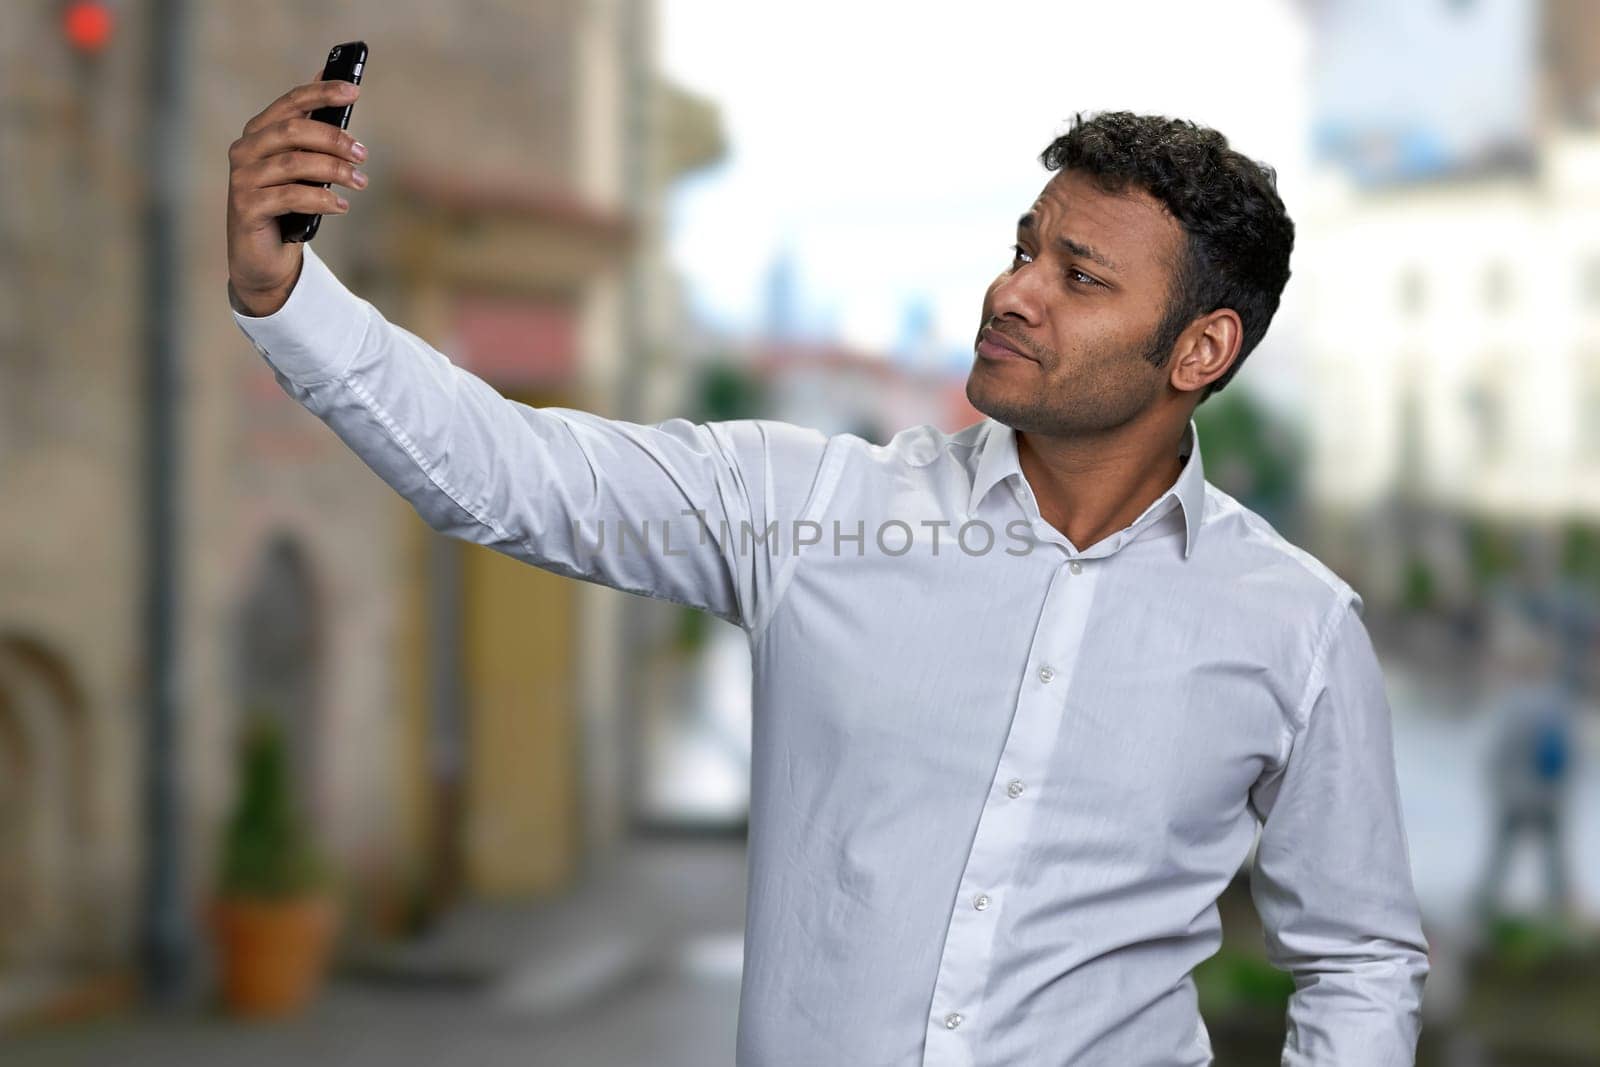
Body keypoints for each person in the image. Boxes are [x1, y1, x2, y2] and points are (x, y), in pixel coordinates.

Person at [226, 82, 1429, 1066]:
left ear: (1200, 348)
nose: (1012, 292)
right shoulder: (810, 509)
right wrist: (289, 297)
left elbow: (1361, 956)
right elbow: (516, 473)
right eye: (1022, 250)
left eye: (1078, 275)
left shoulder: (1296, 626)